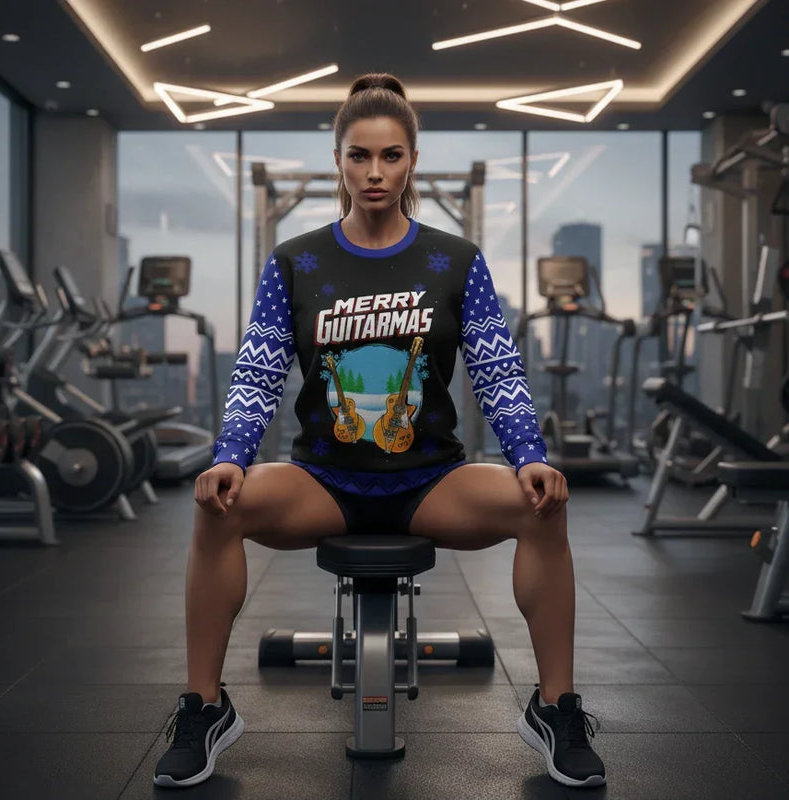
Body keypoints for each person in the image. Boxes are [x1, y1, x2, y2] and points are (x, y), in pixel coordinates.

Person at [153, 72, 606, 790]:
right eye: (359, 156)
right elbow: (257, 370)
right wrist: (231, 457)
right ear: (338, 160)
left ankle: (556, 707)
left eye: (390, 156)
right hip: (322, 481)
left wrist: (530, 457)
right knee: (220, 504)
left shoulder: (456, 261)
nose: (374, 172)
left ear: (411, 162)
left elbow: (496, 367)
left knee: (542, 503)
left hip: (431, 480)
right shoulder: (295, 260)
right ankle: (203, 707)